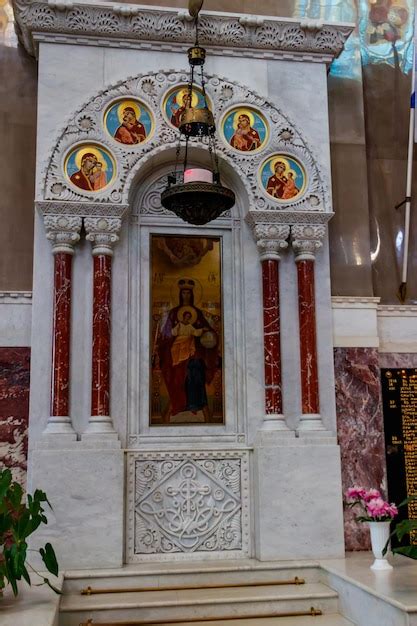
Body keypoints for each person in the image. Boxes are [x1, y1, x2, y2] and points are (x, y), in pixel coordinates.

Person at [157, 279, 218, 421]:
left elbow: (204, 332)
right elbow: (166, 335)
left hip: (193, 350)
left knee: (195, 368)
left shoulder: (196, 313)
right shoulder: (173, 314)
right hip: (175, 351)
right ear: (180, 294)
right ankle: (180, 403)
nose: (186, 295)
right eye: (183, 292)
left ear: (192, 294)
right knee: (180, 372)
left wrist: (207, 333)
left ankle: (195, 404)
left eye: (188, 293)